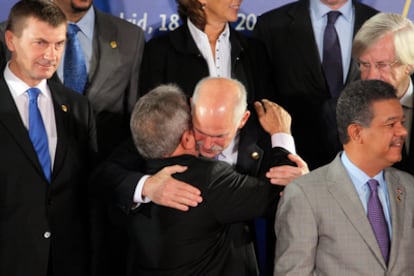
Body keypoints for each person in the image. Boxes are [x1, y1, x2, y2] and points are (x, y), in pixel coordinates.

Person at [91, 77, 308, 276]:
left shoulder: (260, 137)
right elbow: (104, 175)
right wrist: (146, 186)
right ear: (191, 107)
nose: (206, 144)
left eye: (219, 136)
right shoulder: (163, 131)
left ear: (243, 120)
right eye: (199, 131)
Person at [274, 79, 414, 275]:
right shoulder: (304, 195)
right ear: (356, 133)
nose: (402, 131)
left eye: (402, 123)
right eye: (391, 124)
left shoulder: (409, 187)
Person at [0, 1, 97, 276]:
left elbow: (90, 185)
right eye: (40, 42)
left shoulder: (78, 108)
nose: (50, 55)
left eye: (58, 44)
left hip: (67, 262)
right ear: (11, 40)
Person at [253, 0, 377, 170]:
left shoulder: (380, 23)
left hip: (368, 161)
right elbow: (262, 99)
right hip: (294, 162)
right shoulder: (271, 25)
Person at [352, 12, 414, 175]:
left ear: (409, 64)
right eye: (365, 64)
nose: (371, 76)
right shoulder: (339, 110)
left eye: (382, 65)